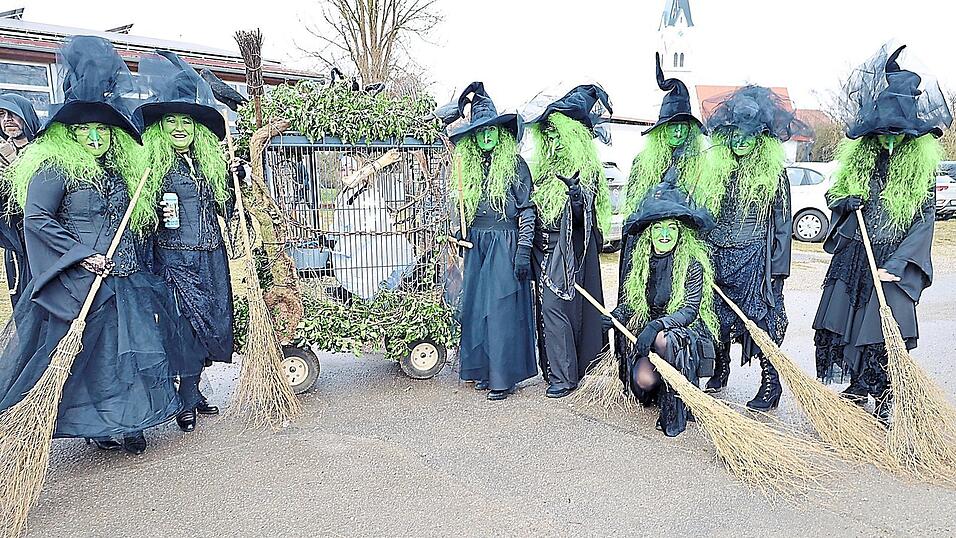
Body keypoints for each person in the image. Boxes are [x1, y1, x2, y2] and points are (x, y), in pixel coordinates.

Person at [0, 36, 181, 455]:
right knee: (89, 358)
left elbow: (133, 218)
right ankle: (95, 426)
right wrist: (81, 256)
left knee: (129, 355)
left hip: (125, 276)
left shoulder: (119, 168)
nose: (96, 136)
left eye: (104, 128)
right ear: (70, 132)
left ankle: (130, 420)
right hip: (80, 279)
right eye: (86, 129)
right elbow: (37, 219)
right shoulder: (52, 166)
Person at [813, 43, 951, 423]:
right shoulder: (860, 159)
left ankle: (888, 391)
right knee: (849, 317)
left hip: (894, 259)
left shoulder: (921, 171)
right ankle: (859, 384)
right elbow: (833, 193)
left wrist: (897, 264)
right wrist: (845, 200)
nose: (889, 142)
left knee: (886, 322)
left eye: (897, 135)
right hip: (857, 252)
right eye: (883, 134)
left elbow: (924, 221)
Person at [136, 50, 235, 431]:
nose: (180, 127)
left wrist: (233, 180)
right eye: (173, 121)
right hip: (174, 259)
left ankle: (193, 392)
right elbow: (141, 220)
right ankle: (185, 399)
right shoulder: (153, 167)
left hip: (211, 255)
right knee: (183, 328)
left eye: (187, 122)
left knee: (211, 322)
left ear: (197, 129)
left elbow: (225, 206)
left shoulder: (208, 162)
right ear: (162, 127)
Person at [702, 85, 806, 410]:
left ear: (762, 138)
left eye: (749, 134)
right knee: (715, 317)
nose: (741, 141)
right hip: (718, 257)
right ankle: (720, 367)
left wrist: (777, 271)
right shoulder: (714, 171)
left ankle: (770, 384)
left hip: (755, 261)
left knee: (762, 323)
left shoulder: (774, 175)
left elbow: (783, 226)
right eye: (735, 134)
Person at [613, 54, 714, 372]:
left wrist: (688, 214)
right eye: (670, 126)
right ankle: (640, 367)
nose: (677, 132)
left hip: (683, 249)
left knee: (685, 308)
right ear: (660, 130)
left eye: (683, 126)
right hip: (646, 247)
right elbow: (632, 210)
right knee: (639, 307)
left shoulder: (702, 166)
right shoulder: (644, 163)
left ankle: (684, 369)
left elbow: (708, 217)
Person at [449, 82, 537, 401]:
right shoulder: (469, 170)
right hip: (479, 247)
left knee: (500, 310)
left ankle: (503, 377)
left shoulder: (515, 166)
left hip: (505, 243)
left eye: (491, 132)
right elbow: (463, 211)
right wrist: (461, 231)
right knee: (477, 309)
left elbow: (527, 210)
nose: (486, 138)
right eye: (480, 133)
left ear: (500, 135)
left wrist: (523, 250)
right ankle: (484, 371)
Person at [523, 84, 612, 398]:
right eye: (552, 135)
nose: (555, 142)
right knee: (549, 310)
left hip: (569, 253)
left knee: (556, 310)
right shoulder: (545, 170)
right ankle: (557, 371)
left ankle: (565, 377)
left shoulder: (586, 171)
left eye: (561, 135)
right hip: (544, 249)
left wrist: (576, 199)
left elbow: (585, 221)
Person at [615, 182, 716, 436]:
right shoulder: (640, 261)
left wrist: (657, 325)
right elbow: (631, 301)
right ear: (649, 232)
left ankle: (673, 409)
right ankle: (661, 384)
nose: (664, 235)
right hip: (651, 332)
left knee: (665, 339)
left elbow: (690, 310)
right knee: (643, 381)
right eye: (658, 228)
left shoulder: (692, 263)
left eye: (671, 228)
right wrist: (616, 315)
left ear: (680, 233)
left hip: (681, 333)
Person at [0, 93, 41, 306]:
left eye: (13, 114)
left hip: (42, 242)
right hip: (15, 244)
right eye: (1, 114)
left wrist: (13, 163)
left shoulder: (44, 151)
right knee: (21, 302)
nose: (7, 120)